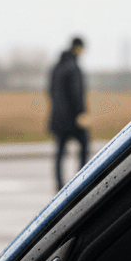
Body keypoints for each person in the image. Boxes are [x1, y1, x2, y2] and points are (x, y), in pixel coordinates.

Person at [48, 37, 88, 191]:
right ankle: (81, 182)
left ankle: (59, 185)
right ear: (78, 48)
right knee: (84, 147)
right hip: (73, 118)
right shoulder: (73, 67)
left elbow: (50, 91)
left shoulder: (56, 67)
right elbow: (76, 93)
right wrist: (81, 113)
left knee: (60, 152)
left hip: (58, 117)